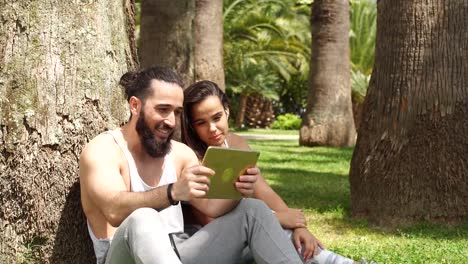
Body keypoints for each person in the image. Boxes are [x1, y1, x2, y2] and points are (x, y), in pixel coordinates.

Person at [79, 66, 304, 264]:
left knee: (252, 210)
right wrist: (173, 191)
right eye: (162, 109)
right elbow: (114, 210)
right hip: (124, 256)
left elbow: (212, 207)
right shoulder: (103, 149)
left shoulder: (180, 153)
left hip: (179, 252)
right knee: (143, 217)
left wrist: (238, 188)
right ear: (135, 105)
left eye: (176, 112)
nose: (170, 121)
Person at [181, 80, 369, 264]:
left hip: (249, 230)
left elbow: (263, 190)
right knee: (274, 229)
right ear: (192, 126)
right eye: (201, 123)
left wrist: (298, 226)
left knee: (291, 236)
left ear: (227, 111)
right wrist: (278, 218)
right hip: (213, 244)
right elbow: (209, 220)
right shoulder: (190, 157)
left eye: (216, 117)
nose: (212, 128)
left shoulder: (236, 144)